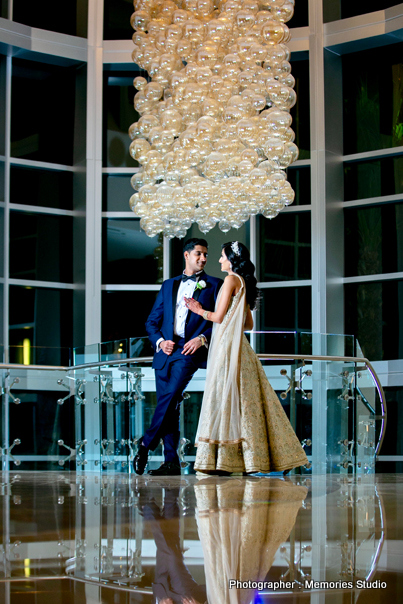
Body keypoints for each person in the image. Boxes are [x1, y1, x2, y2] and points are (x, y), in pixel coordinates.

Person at [185, 241, 309, 475]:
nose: (219, 260)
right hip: (241, 347)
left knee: (224, 397)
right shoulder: (243, 282)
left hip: (227, 347)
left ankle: (223, 461)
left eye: (222, 256)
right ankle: (250, 459)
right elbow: (249, 323)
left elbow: (218, 317)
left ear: (231, 259)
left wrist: (198, 309)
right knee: (246, 402)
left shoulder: (231, 280)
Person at [134, 238, 223, 476]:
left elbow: (222, 321)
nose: (203, 258)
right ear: (186, 255)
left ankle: (145, 443)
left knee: (172, 394)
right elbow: (152, 322)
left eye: (206, 254)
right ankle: (171, 462)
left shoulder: (215, 284)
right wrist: (161, 342)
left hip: (188, 351)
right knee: (170, 406)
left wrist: (202, 338)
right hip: (166, 352)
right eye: (198, 254)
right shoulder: (168, 285)